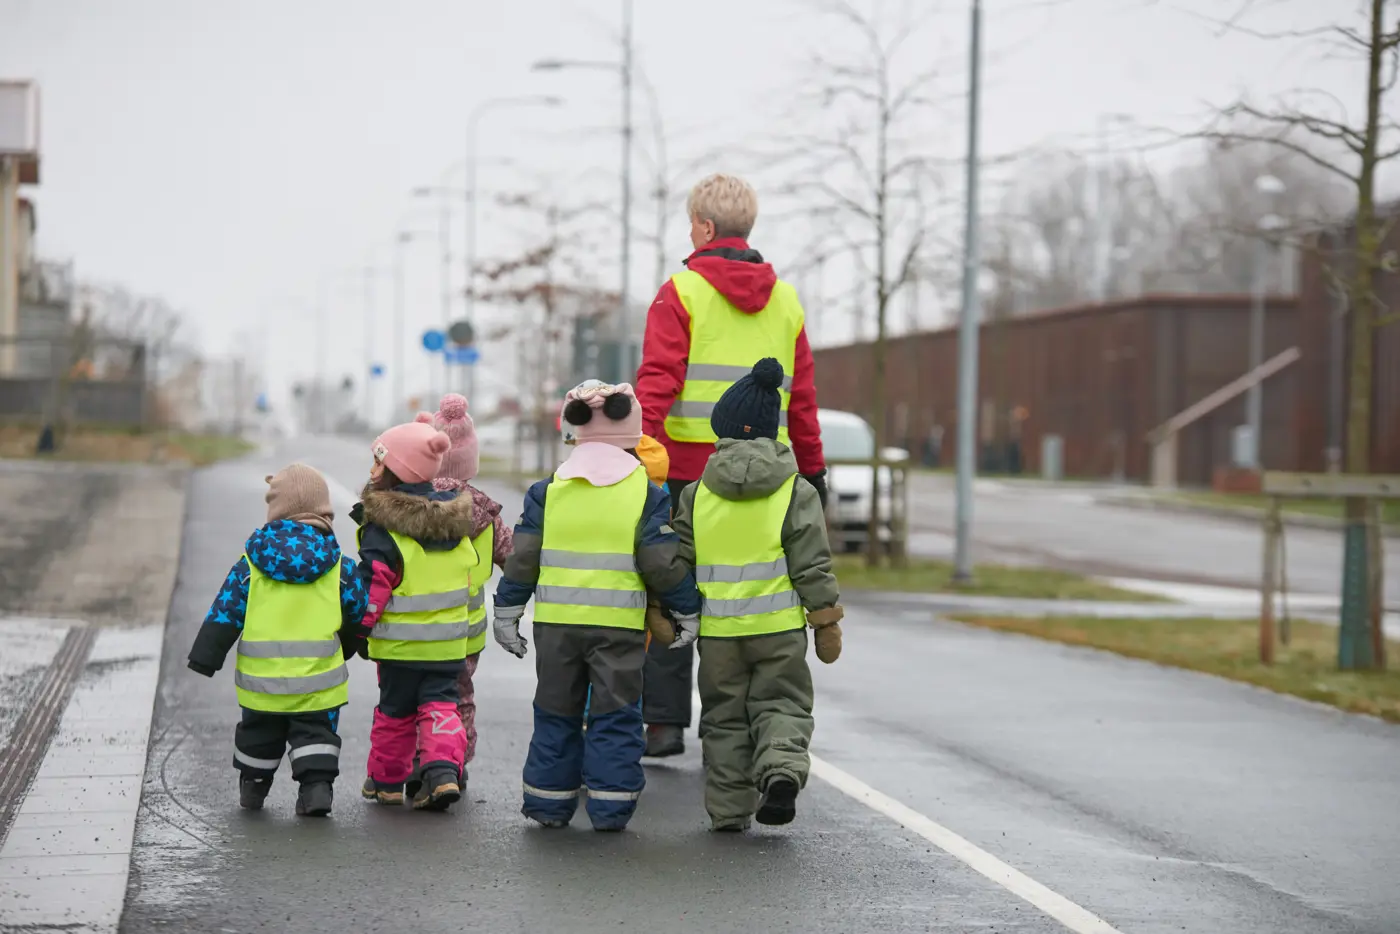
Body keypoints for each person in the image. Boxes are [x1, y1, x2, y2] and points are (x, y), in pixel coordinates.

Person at [633, 173, 828, 758]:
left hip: (690, 471)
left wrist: (635, 456)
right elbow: (804, 399)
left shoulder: (682, 291)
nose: (689, 231)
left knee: (674, 586)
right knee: (755, 596)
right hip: (772, 477)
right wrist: (813, 472)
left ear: (706, 227)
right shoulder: (788, 301)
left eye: (691, 222)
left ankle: (664, 723)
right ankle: (752, 726)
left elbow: (657, 383)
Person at [492, 381, 702, 832]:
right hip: (618, 629)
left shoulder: (547, 492)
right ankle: (610, 807)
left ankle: (548, 803)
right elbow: (660, 561)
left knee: (554, 713)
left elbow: (523, 559)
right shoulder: (645, 493)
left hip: (556, 627)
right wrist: (686, 610)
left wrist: (507, 613)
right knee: (615, 717)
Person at [673, 359, 843, 832]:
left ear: (722, 430)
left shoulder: (696, 493)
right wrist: (825, 618)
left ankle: (728, 811)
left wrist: (670, 611)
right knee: (783, 705)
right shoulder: (797, 490)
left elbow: (680, 562)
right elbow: (811, 560)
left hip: (720, 635)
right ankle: (782, 772)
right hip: (780, 630)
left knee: (724, 719)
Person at [186, 464, 368, 817]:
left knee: (258, 731)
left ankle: (253, 786)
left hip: (261, 684)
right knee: (316, 734)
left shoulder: (251, 564)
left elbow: (225, 612)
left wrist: (205, 656)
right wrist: (357, 645)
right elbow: (359, 613)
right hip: (318, 684)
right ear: (324, 511)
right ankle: (316, 789)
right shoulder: (339, 566)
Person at [352, 421, 474, 812]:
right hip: (448, 647)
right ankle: (441, 774)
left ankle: (387, 783)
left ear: (397, 471)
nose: (372, 472)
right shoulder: (455, 525)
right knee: (441, 707)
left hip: (400, 649)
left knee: (395, 714)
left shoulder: (384, 530)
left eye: (378, 463)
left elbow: (374, 589)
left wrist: (357, 631)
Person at [397, 394, 513, 799]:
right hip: (464, 629)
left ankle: (414, 761)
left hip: (408, 626)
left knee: (409, 695)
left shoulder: (406, 504)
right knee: (456, 696)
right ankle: (451, 762)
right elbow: (513, 561)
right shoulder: (484, 512)